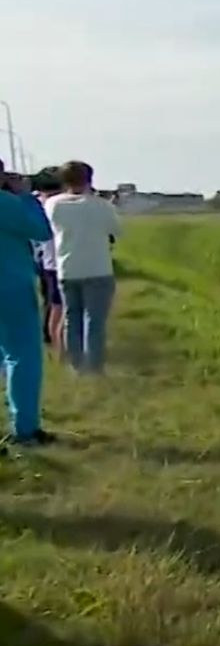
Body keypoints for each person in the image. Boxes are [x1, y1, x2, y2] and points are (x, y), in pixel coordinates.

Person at [47, 160, 122, 375]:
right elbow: (117, 231)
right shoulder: (101, 205)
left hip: (67, 268)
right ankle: (94, 367)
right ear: (89, 179)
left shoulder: (53, 204)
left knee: (72, 319)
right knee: (94, 321)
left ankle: (76, 366)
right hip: (97, 268)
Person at [0, 159, 56, 447]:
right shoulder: (8, 204)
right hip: (11, 287)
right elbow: (42, 231)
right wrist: (25, 196)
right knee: (21, 355)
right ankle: (25, 429)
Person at [31, 170, 64, 349]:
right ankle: (56, 340)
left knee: (49, 300)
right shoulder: (58, 204)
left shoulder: (36, 204)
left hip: (45, 259)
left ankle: (48, 336)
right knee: (58, 304)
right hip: (57, 260)